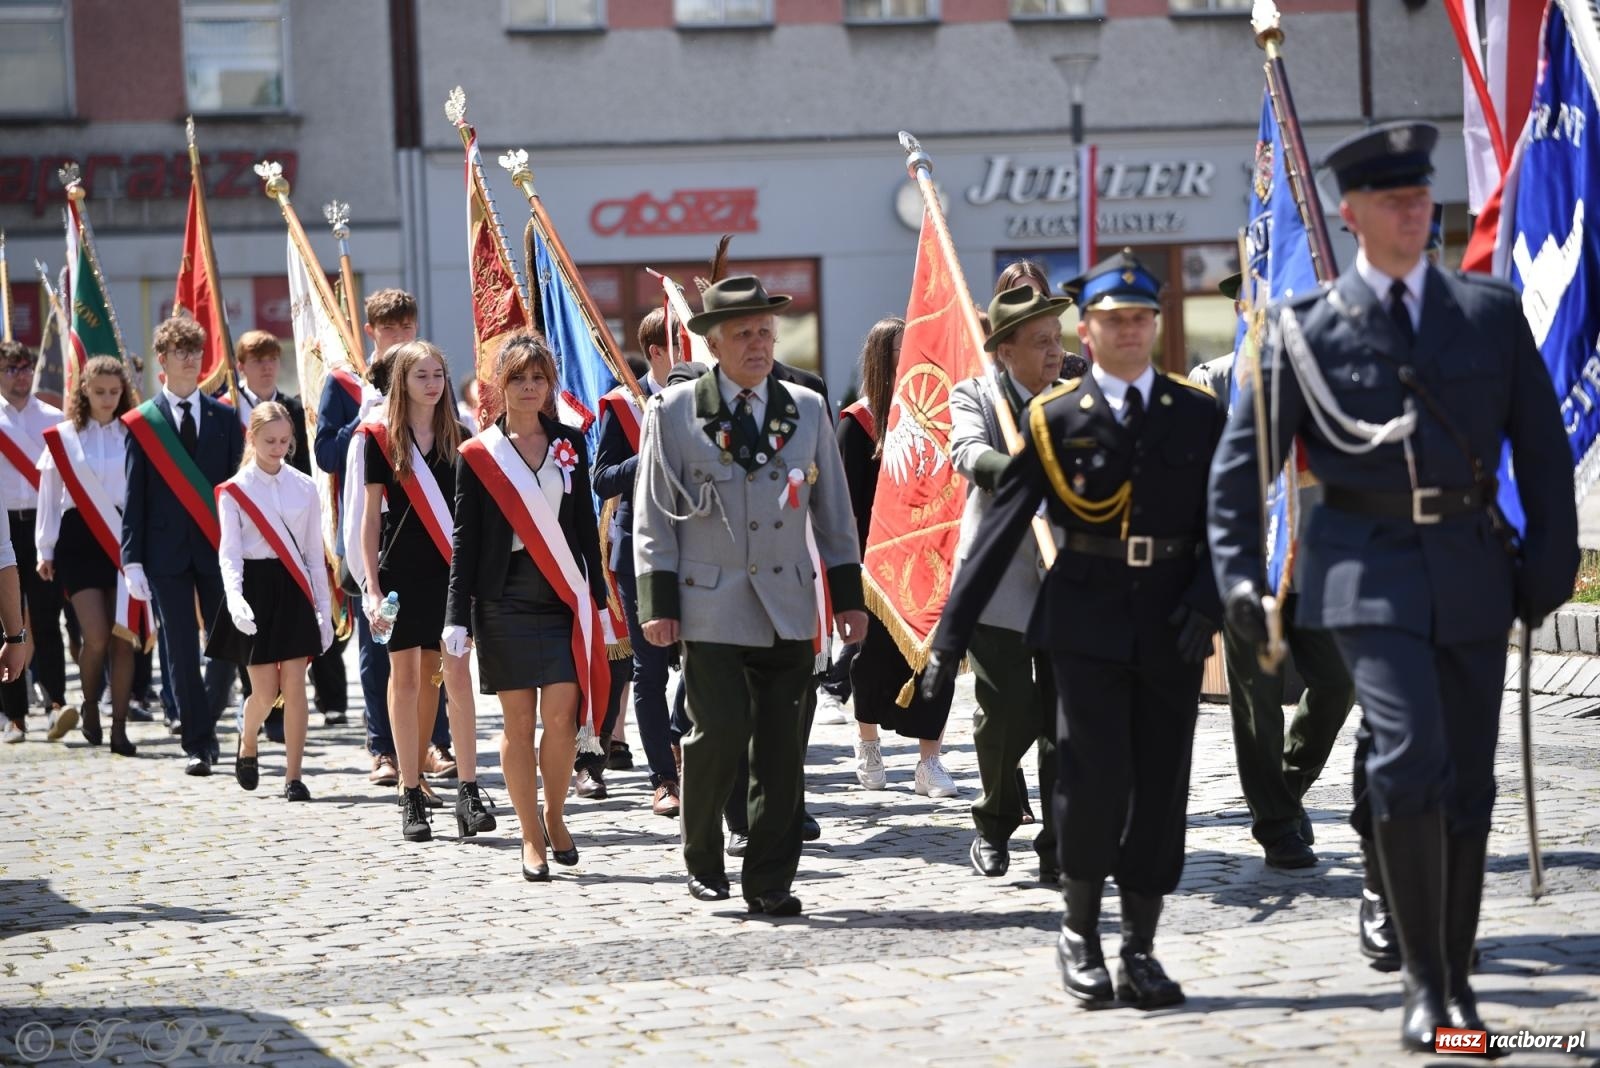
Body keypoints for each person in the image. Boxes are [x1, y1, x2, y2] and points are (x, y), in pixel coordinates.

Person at [1208, 122, 1579, 1052]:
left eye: (1424, 199)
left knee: (1469, 784)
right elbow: (1237, 472)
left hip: (1468, 564)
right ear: (1353, 213)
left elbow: (1540, 450)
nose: (1416, 213)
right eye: (1395, 201)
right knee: (1409, 753)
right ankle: (1423, 985)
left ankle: (1454, 979)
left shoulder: (1487, 314)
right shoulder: (1304, 331)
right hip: (1364, 568)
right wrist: (1241, 578)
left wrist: (1550, 562)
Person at [927, 252, 1224, 1009]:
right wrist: (947, 642)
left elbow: (1231, 519)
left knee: (1161, 791)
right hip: (1084, 622)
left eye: (1141, 319)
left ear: (1155, 326)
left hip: (1171, 625)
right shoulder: (1053, 419)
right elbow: (998, 533)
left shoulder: (1195, 411)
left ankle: (1143, 949)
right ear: (1087, 333)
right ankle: (1081, 933)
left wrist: (1211, 597)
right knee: (1090, 784)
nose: (1130, 331)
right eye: (1114, 321)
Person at [634, 275, 867, 916]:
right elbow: (654, 515)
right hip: (711, 604)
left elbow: (835, 512)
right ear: (714, 342)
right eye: (744, 333)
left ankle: (770, 879)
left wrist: (848, 597)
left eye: (766, 331)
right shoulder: (675, 413)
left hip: (789, 603)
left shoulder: (807, 407)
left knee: (782, 750)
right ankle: (703, 854)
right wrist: (658, 605)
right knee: (718, 736)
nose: (760, 344)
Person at [1190, 277, 1358, 871]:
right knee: (1256, 701)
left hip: (1312, 564)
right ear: (1240, 309)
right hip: (1246, 567)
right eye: (1257, 302)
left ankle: (1283, 788)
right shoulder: (1211, 381)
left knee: (1337, 683)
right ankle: (1278, 825)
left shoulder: (1322, 377)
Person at [446, 332, 608, 877]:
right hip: (503, 599)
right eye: (518, 378)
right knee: (519, 724)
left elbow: (584, 523)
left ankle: (555, 815)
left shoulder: (570, 442)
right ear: (500, 384)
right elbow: (465, 540)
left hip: (560, 594)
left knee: (562, 718)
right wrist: (455, 616)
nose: (530, 387)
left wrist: (601, 598)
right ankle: (529, 835)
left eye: (539, 377)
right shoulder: (479, 454)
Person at [948, 287, 1071, 882]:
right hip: (998, 580)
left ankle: (1058, 841)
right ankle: (994, 821)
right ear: (1005, 350)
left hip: (1066, 577)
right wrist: (1024, 470)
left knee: (1062, 717)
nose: (1055, 351)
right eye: (1041, 341)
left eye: (1058, 338)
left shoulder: (1077, 396)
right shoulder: (976, 395)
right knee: (1004, 711)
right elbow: (967, 452)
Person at [315, 291, 453, 786]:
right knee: (383, 655)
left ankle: (432, 745)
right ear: (371, 332)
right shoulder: (347, 385)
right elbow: (326, 452)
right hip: (374, 542)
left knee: (432, 657)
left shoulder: (433, 388)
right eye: (390, 328)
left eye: (408, 326)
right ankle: (383, 750)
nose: (401, 335)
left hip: (433, 550)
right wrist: (367, 417)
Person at [360, 340, 492, 842]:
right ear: (402, 382)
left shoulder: (459, 438)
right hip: (399, 575)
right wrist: (371, 588)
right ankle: (410, 792)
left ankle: (467, 788)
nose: (433, 383)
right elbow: (370, 520)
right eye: (421, 375)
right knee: (408, 678)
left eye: (438, 373)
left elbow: (470, 520)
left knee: (456, 677)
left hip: (450, 575)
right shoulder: (379, 441)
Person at [838, 317, 959, 797]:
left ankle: (930, 761)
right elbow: (846, 506)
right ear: (881, 361)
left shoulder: (935, 417)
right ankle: (868, 742)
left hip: (931, 558)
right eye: (898, 353)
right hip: (877, 567)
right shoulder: (858, 423)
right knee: (874, 661)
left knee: (937, 662)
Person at [122, 317, 245, 775]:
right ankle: (198, 743)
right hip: (164, 553)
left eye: (196, 351)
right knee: (179, 648)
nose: (191, 359)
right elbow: (134, 495)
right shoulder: (142, 423)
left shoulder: (226, 417)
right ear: (163, 360)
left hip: (218, 546)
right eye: (181, 352)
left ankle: (206, 719)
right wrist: (131, 558)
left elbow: (235, 486)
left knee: (227, 643)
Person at [207, 402, 333, 800]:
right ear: (252, 438)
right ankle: (248, 740)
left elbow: (315, 554)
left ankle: (293, 776)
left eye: (284, 440)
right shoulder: (235, 491)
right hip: (254, 588)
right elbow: (229, 552)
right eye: (269, 441)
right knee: (265, 691)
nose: (278, 447)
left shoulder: (304, 486)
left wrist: (325, 612)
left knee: (295, 684)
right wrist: (234, 598)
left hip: (294, 586)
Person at [234, 330, 347, 732]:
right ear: (240, 365)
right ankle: (264, 716)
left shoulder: (294, 408)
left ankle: (332, 699)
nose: (266, 365)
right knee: (256, 637)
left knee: (316, 610)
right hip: (248, 527)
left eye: (272, 358)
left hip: (295, 521)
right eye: (257, 358)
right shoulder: (227, 408)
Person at [593, 312, 681, 817]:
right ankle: (663, 779)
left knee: (706, 662)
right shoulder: (624, 406)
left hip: (700, 547)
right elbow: (602, 477)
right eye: (677, 346)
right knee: (648, 671)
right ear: (655, 352)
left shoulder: (705, 399)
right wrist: (649, 449)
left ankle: (678, 740)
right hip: (640, 550)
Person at [35, 356, 141, 754]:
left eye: (115, 392)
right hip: (78, 539)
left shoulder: (133, 433)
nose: (108, 399)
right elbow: (50, 496)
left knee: (123, 638)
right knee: (95, 635)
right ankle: (92, 706)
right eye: (100, 392)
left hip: (123, 538)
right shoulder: (63, 436)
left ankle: (119, 728)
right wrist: (44, 548)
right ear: (84, 390)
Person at [0, 340, 69, 742]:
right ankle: (15, 716)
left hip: (42, 525)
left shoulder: (54, 418)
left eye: (26, 367)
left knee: (46, 617)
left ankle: (57, 703)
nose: (21, 375)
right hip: (3, 526)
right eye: (11, 368)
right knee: (8, 623)